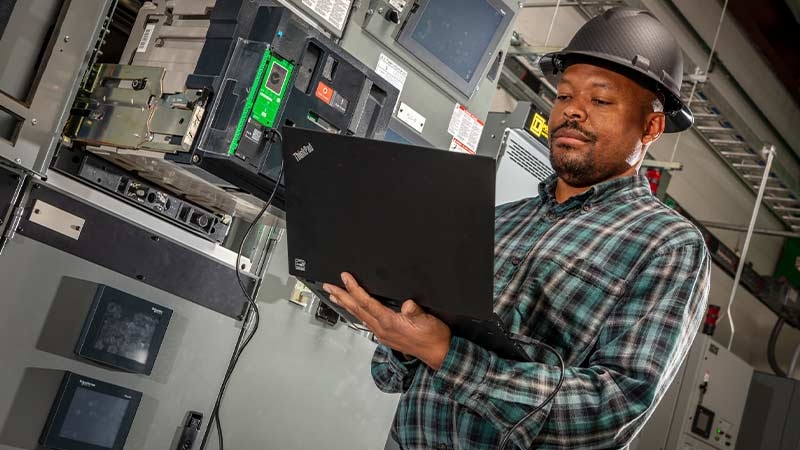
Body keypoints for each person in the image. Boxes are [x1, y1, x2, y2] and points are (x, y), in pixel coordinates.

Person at [323, 7, 709, 450]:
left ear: (652, 127)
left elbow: (613, 409)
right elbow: (390, 375)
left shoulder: (668, 245)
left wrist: (445, 353)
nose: (573, 113)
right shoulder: (501, 219)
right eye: (564, 97)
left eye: (600, 101)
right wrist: (398, 332)